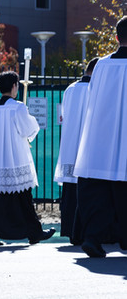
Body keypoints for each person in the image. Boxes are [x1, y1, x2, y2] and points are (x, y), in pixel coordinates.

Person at [0, 71, 56, 246]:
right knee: (23, 197)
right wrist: (29, 128)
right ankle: (34, 233)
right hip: (15, 159)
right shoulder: (18, 107)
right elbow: (28, 129)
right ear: (14, 87)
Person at [73, 17, 127, 258]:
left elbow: (93, 97)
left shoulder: (102, 66)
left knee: (99, 192)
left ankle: (93, 238)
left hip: (102, 137)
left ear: (116, 37)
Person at [54, 58, 98, 245]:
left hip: (70, 148)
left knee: (71, 193)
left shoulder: (70, 89)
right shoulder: (95, 89)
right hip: (88, 149)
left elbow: (63, 116)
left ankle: (72, 232)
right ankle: (88, 233)